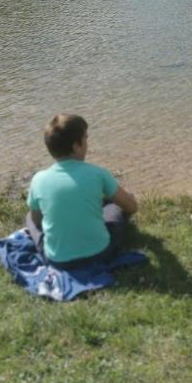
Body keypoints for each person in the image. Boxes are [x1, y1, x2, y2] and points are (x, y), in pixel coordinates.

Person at [25, 114, 138, 268]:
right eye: (85, 139)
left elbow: (37, 220)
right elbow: (132, 207)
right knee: (115, 206)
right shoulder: (98, 173)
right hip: (99, 253)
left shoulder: (38, 179)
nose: (87, 144)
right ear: (76, 146)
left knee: (29, 218)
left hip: (57, 260)